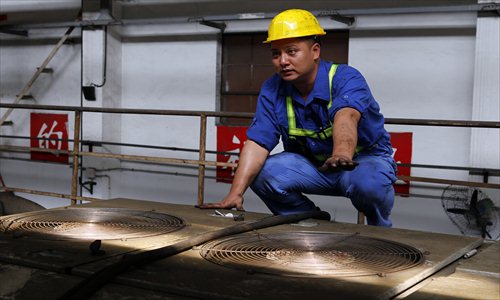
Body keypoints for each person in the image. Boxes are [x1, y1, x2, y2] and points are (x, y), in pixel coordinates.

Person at [200, 9, 398, 227]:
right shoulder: (273, 87)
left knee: (369, 184)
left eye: (291, 51)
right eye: (276, 53)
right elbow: (257, 142)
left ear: (315, 51)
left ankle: (380, 233)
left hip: (361, 164)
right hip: (312, 167)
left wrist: (341, 153)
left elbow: (346, 115)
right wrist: (235, 193)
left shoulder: (345, 77)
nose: (283, 61)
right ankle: (310, 223)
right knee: (262, 173)